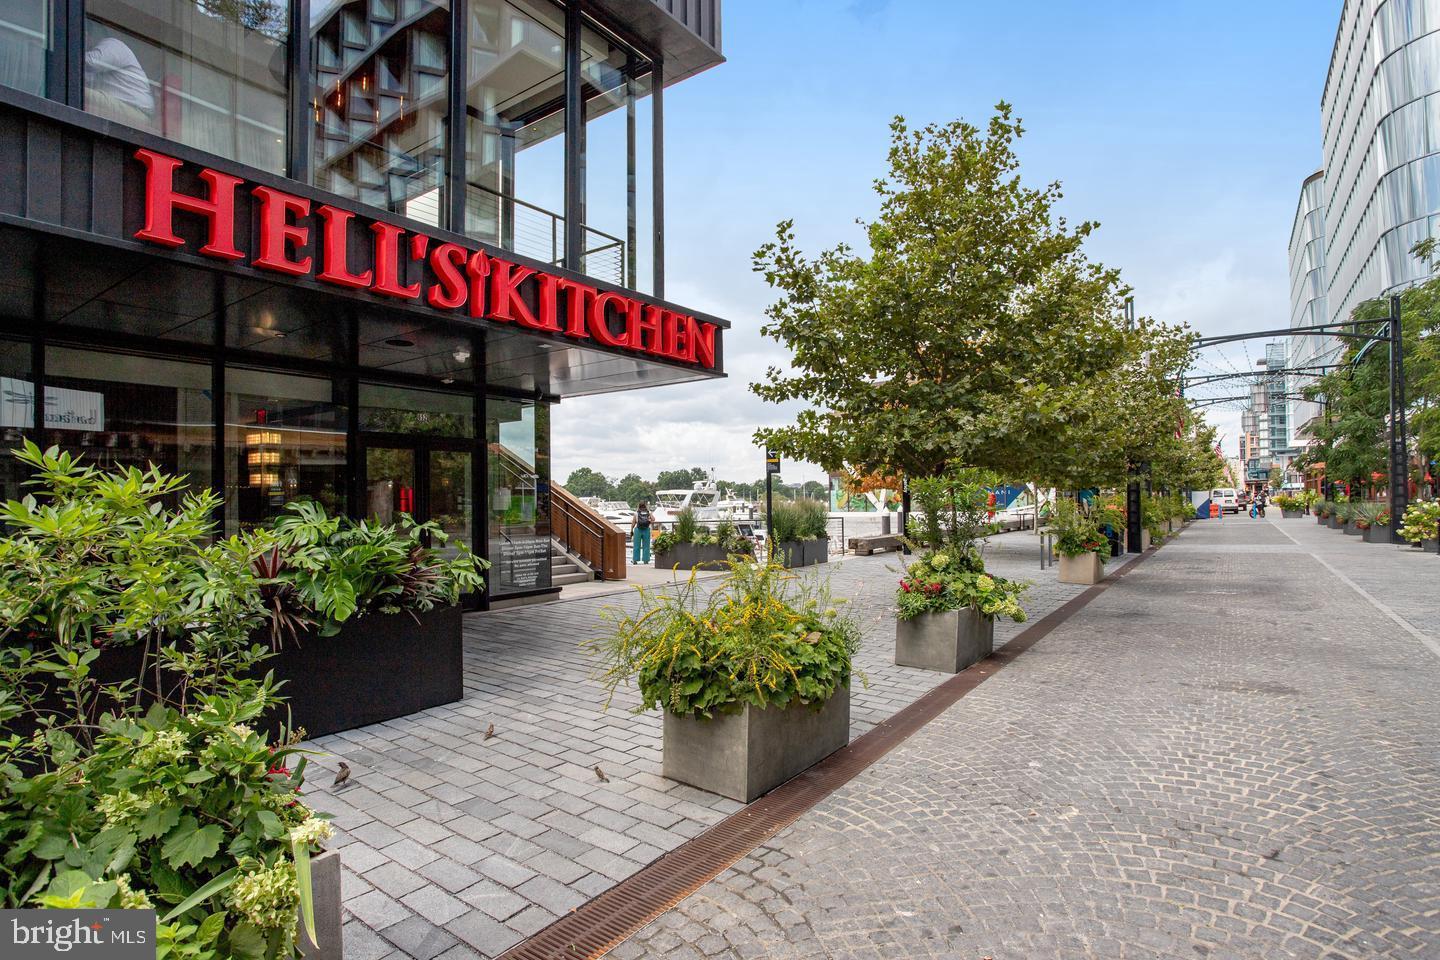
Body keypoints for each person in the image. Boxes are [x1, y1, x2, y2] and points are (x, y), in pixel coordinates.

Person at [84, 37, 156, 129]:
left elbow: (90, 62)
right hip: (131, 111)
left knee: (78, 91)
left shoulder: (113, 44)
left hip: (135, 111)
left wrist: (64, 52)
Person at [631, 500, 652, 564]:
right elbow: (653, 519)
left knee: (636, 545)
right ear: (645, 505)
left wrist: (631, 530)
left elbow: (633, 522)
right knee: (646, 545)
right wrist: (649, 520)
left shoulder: (636, 513)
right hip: (646, 529)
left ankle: (635, 560)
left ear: (639, 506)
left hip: (638, 530)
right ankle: (646, 560)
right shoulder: (649, 512)